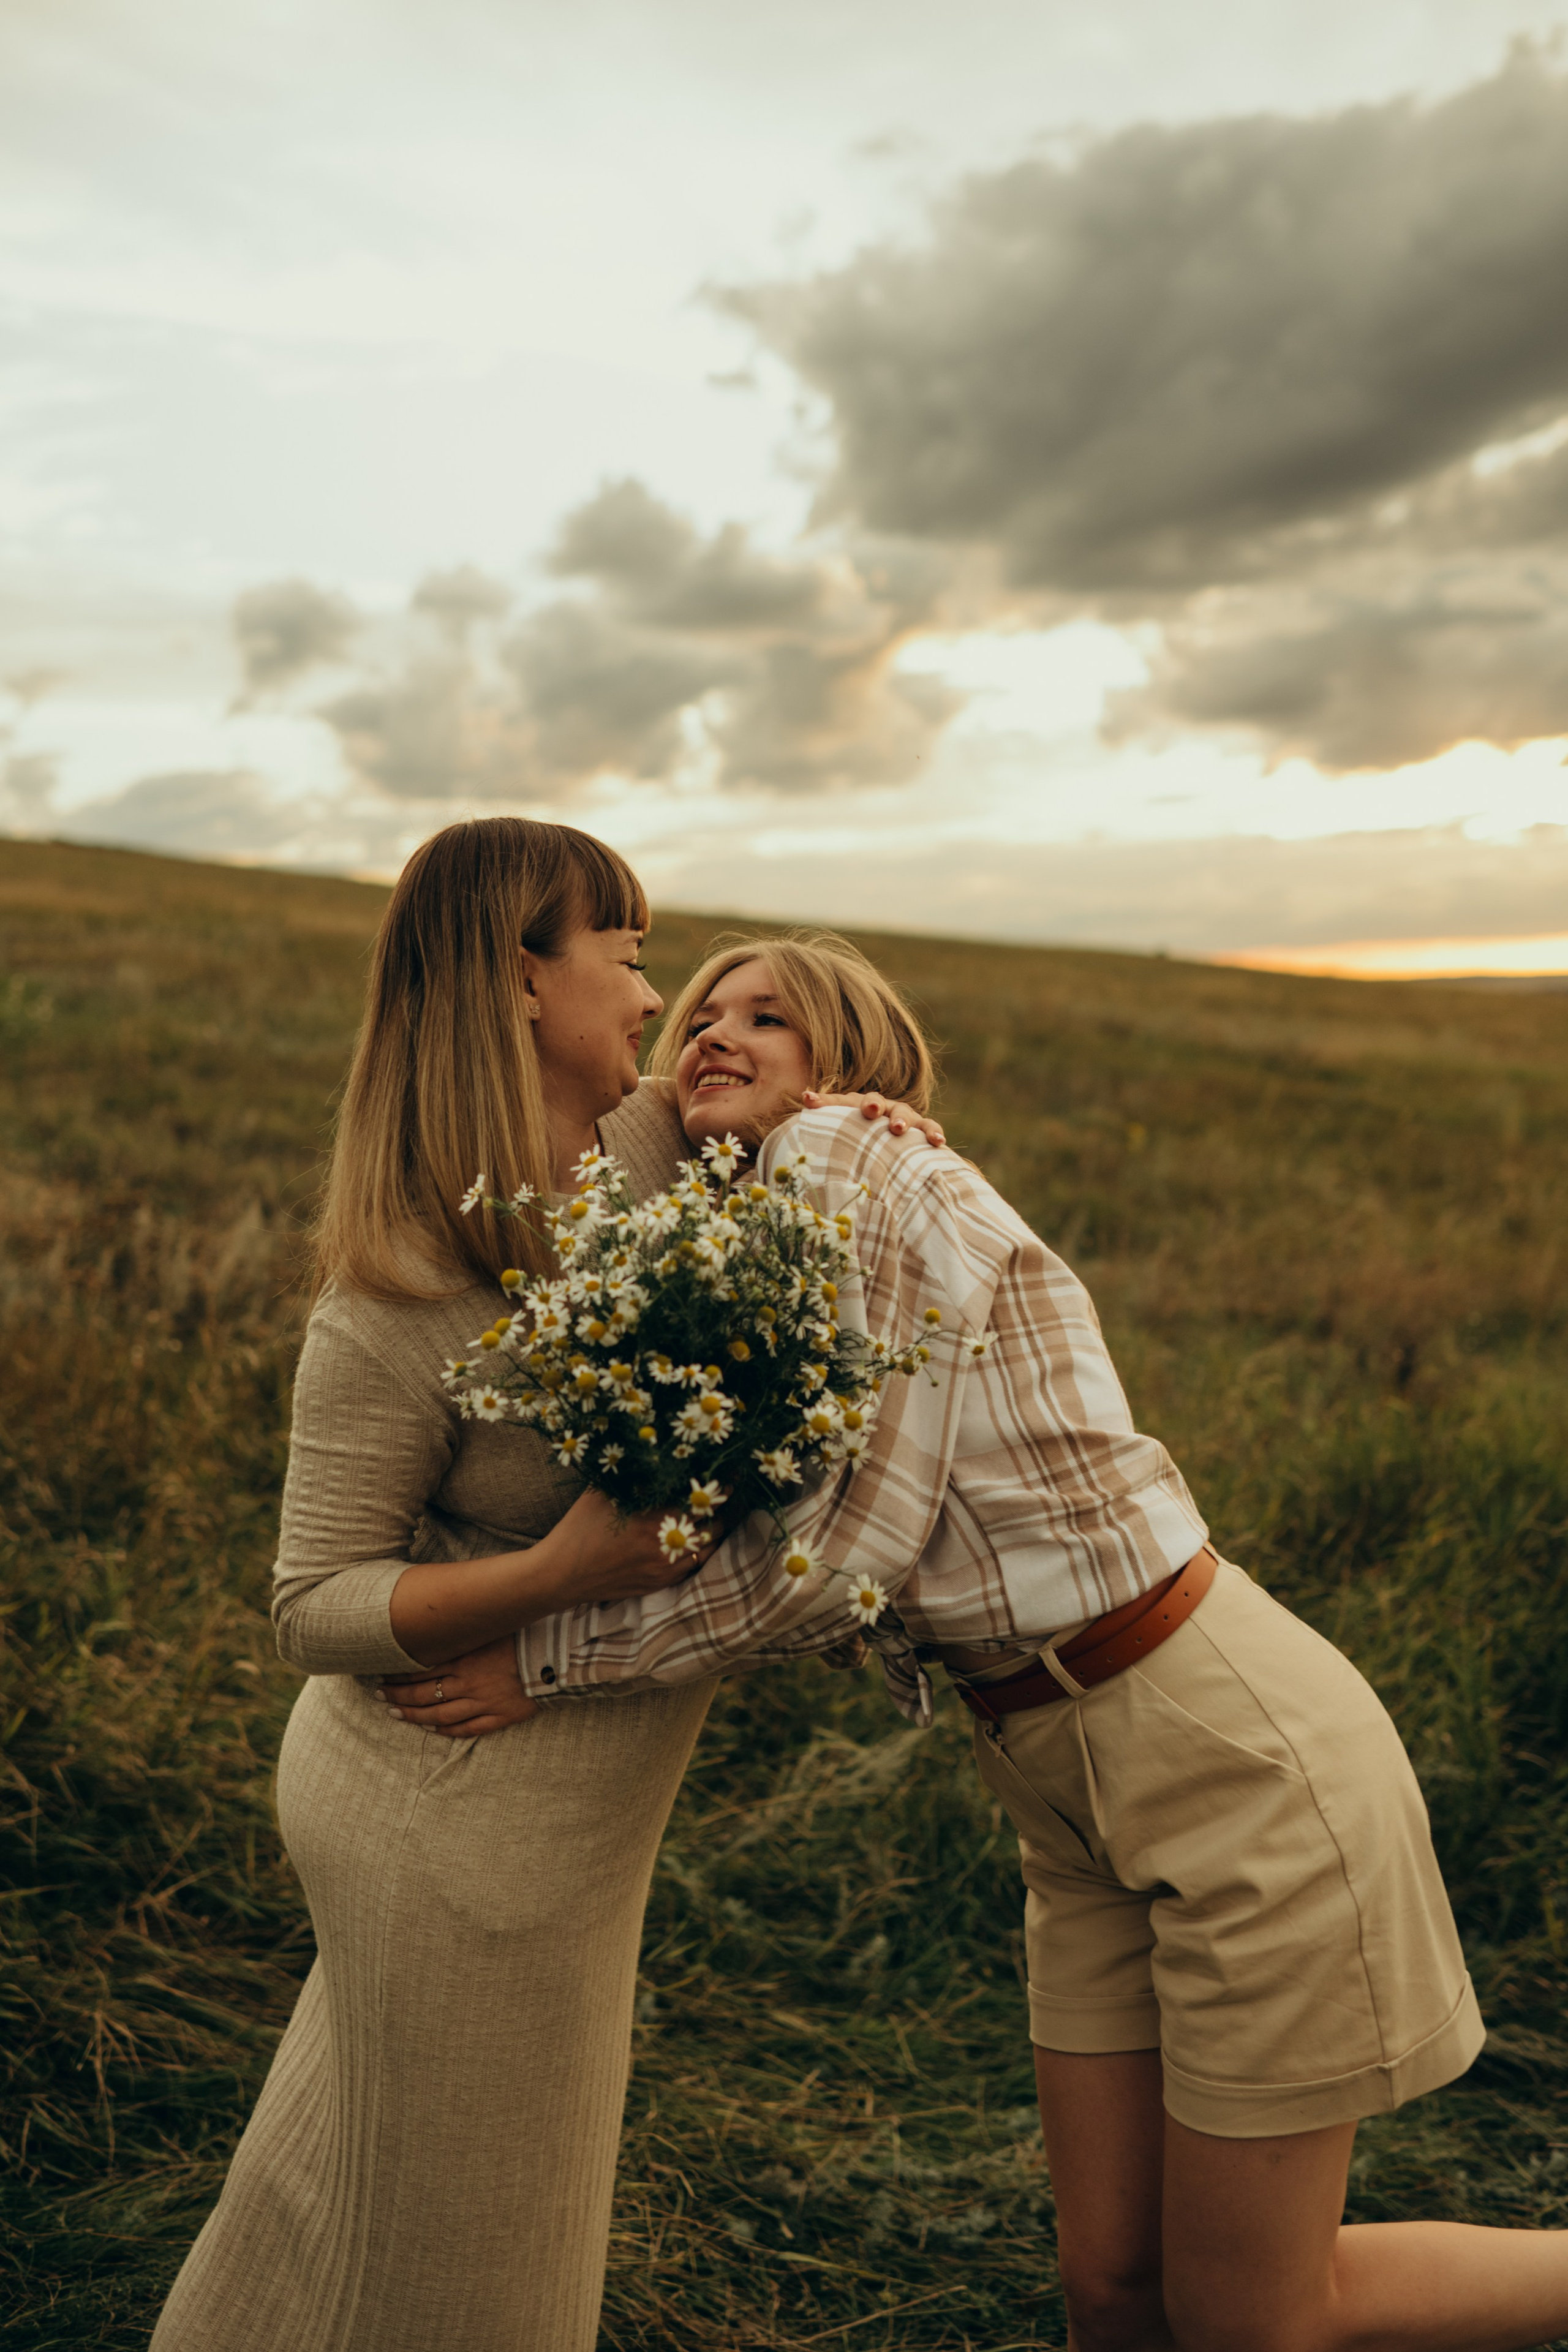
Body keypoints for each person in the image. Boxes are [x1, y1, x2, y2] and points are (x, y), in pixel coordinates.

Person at [390, 928, 1568, 2352]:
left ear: (853, 1068)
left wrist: (542, 1660)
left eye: (770, 1018)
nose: (712, 1031)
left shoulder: (841, 1164)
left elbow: (836, 1562)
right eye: (697, 1013)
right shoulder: (776, 1216)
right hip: (1055, 1774)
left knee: (1257, 2317)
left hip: (1223, 1749)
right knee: (1111, 2292)